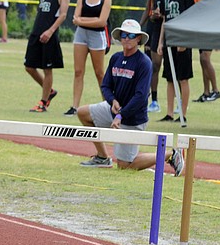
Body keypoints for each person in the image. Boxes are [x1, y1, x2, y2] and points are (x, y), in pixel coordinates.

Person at [76, 19, 185, 176]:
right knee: (83, 113)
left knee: (124, 165)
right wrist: (112, 101)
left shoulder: (144, 62)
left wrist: (121, 115)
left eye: (132, 35)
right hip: (114, 109)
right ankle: (102, 157)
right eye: (124, 35)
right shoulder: (116, 58)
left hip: (132, 118)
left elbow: (141, 97)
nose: (127, 38)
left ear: (138, 38)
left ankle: (171, 154)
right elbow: (105, 86)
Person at [24, 0, 69, 112]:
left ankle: (43, 103)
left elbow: (63, 15)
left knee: (47, 69)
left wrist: (50, 31)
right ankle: (50, 90)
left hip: (49, 36)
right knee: (29, 67)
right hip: (36, 33)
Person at [67, 0, 112, 117]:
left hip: (97, 36)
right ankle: (75, 106)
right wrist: (87, 21)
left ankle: (107, 105)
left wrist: (82, 21)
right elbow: (75, 18)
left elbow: (102, 22)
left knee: (99, 73)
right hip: (81, 35)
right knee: (78, 71)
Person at [157, 0, 195, 123]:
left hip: (182, 41)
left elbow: (191, 17)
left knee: (183, 78)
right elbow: (165, 20)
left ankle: (183, 113)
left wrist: (184, 41)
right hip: (170, 41)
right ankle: (169, 113)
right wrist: (160, 42)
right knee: (170, 78)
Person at [140, 0, 167, 114]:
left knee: (167, 65)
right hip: (153, 27)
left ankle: (178, 102)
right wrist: (139, 26)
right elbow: (148, 8)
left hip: (166, 27)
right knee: (151, 64)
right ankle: (152, 99)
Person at [193, 0, 220, 102]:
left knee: (205, 58)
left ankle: (216, 90)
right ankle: (206, 92)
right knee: (202, 61)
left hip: (208, 29)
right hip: (200, 30)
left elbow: (215, 8)